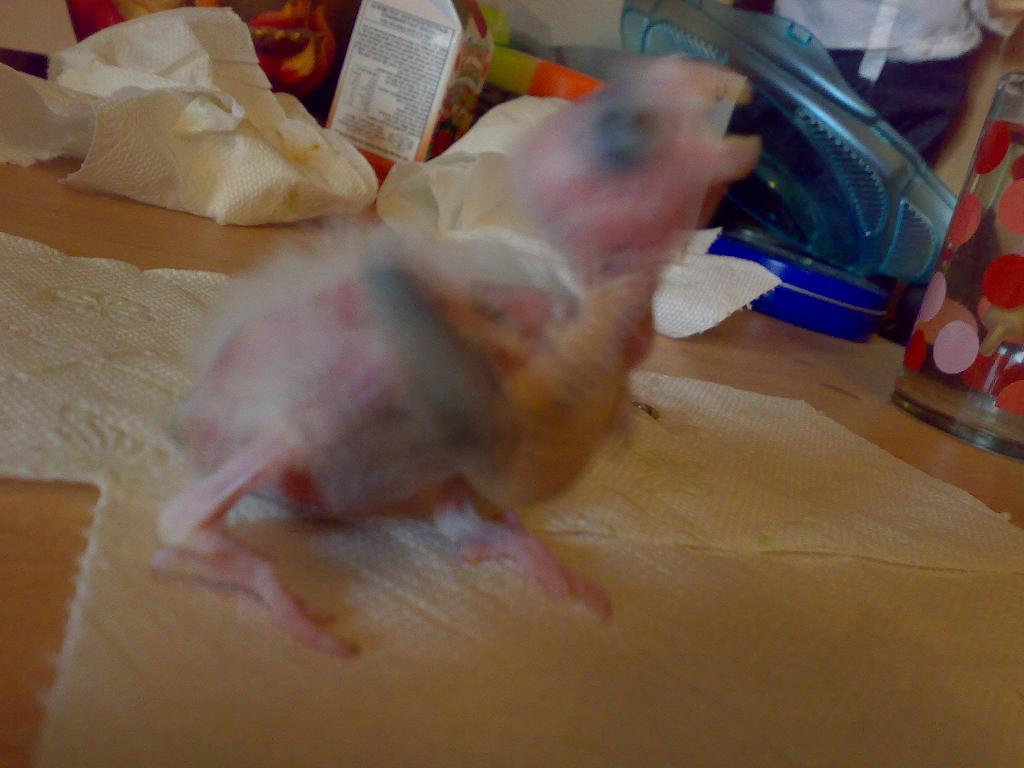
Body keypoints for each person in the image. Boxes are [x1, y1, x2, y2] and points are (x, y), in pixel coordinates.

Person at [770, 1, 1024, 163]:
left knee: (886, 206)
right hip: (814, 47)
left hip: (933, 74)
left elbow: (993, 6)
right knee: (781, 185)